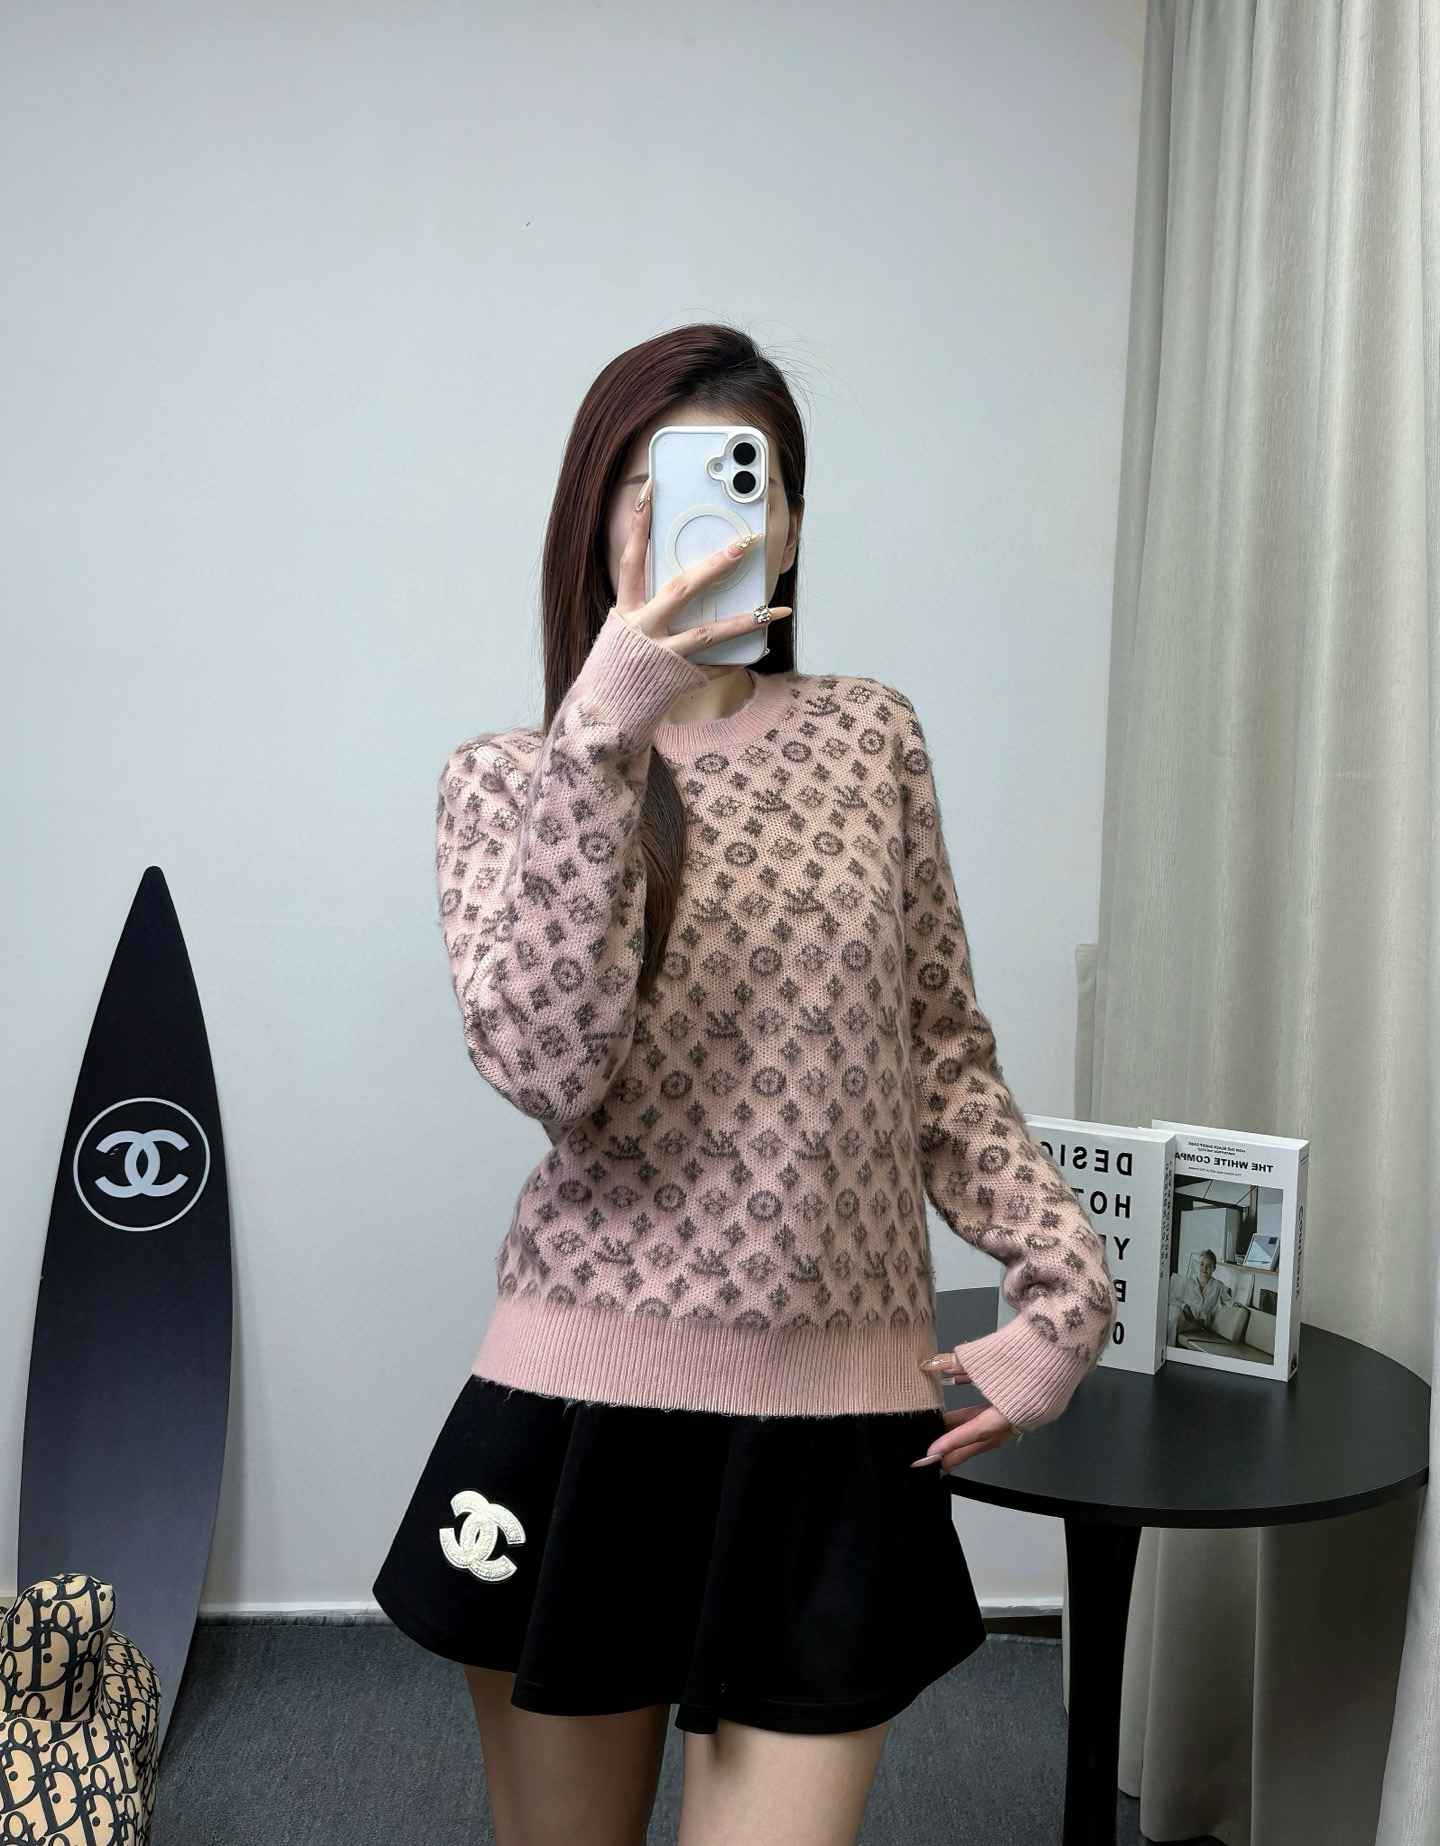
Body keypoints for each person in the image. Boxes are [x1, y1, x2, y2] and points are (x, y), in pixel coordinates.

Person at [374, 324, 1116, 1846]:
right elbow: (548, 1069)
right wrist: (607, 725)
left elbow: (940, 1047)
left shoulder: (870, 736)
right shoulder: (508, 778)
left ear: (787, 526)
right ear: (598, 515)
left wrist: (1065, 1283)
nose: (708, 516)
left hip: (831, 1426)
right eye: (655, 483)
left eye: (746, 480)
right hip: (580, 1407)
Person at [1167, 1248, 1223, 1346]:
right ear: (1197, 1265)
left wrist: (1234, 1304)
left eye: (1209, 1265)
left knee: (1176, 1323)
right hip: (1182, 1315)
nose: (1205, 1268)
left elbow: (1227, 1300)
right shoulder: (1187, 1282)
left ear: (1214, 1268)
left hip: (1199, 1322)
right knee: (1173, 1318)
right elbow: (1171, 1298)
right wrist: (1184, 1307)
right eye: (1202, 1264)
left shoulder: (1218, 1286)